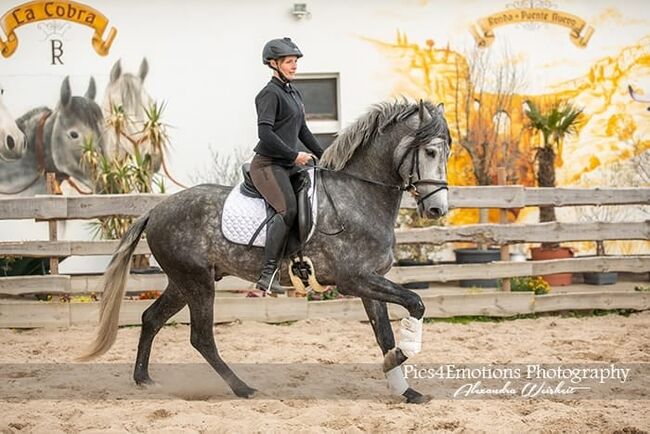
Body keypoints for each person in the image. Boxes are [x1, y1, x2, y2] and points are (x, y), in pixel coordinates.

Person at [250, 37, 324, 293]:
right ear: (274, 63)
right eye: (289, 62)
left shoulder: (293, 92)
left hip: (288, 165)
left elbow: (303, 130)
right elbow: (266, 135)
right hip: (267, 165)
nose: (294, 66)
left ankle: (298, 262)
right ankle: (267, 277)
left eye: (295, 62)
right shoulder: (269, 94)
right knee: (287, 210)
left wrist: (324, 155)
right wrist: (294, 156)